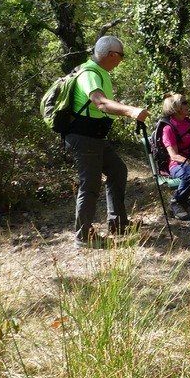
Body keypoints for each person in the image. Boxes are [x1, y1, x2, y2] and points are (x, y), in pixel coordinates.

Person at [65, 36, 149, 247]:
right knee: (90, 184)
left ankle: (118, 223)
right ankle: (83, 237)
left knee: (118, 170)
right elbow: (101, 103)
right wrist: (132, 111)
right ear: (112, 55)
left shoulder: (97, 72)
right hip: (84, 137)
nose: (121, 60)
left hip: (95, 136)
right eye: (121, 56)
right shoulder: (90, 73)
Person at [159, 92, 190, 221]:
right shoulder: (168, 128)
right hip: (178, 164)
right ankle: (177, 202)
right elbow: (173, 155)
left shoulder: (189, 123)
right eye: (184, 102)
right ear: (176, 107)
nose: (187, 105)